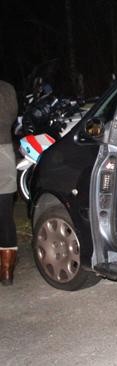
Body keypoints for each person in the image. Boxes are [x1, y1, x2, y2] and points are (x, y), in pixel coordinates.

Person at [0, 80, 18, 285]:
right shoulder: (6, 88)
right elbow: (12, 116)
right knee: (5, 214)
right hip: (3, 152)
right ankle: (6, 272)